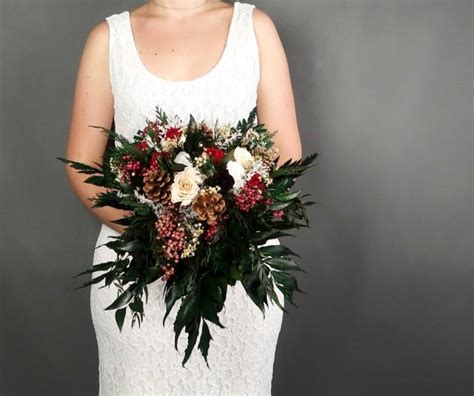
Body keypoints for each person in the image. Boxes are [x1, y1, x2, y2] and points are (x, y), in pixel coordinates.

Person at [64, 0, 302, 394]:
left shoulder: (255, 28)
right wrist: (156, 234)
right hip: (137, 269)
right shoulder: (108, 39)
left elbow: (285, 158)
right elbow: (80, 165)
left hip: (236, 275)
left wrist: (223, 231)